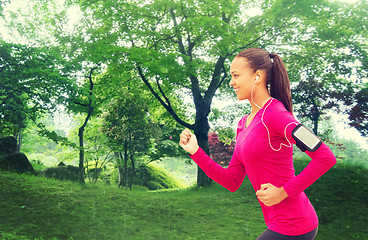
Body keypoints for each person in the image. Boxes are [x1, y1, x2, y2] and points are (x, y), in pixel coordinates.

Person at [179, 47, 336, 240]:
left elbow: (325, 157)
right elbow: (232, 181)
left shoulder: (278, 115)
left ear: (257, 76)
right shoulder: (243, 124)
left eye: (236, 75)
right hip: (276, 222)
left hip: (295, 223)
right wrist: (196, 152)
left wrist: (284, 192)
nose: (231, 82)